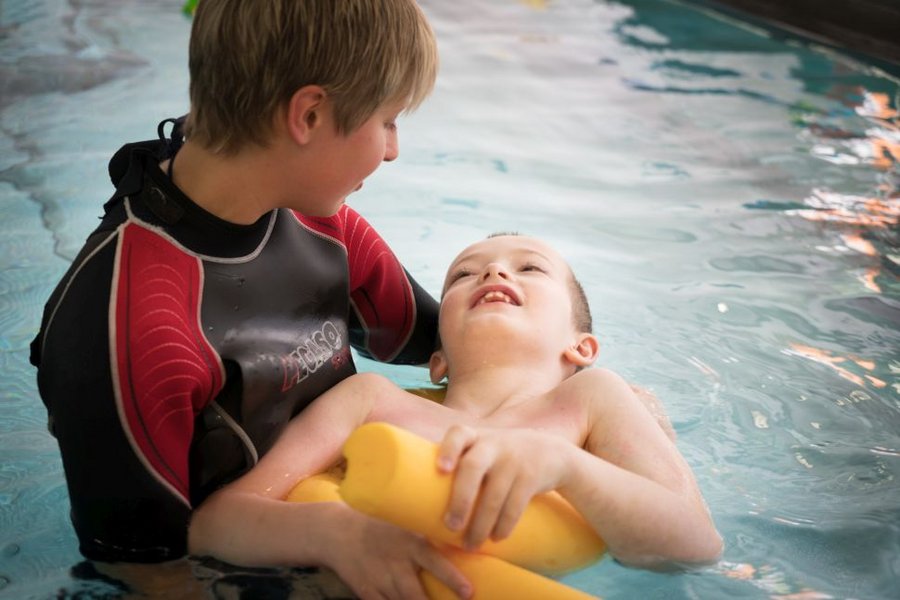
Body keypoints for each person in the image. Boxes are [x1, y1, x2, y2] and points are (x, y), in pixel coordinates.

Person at [29, 1, 473, 598]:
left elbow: (452, 346)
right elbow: (143, 570)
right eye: (388, 120)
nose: (392, 150)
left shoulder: (326, 227)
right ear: (309, 114)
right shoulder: (128, 325)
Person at [192, 234, 724, 598]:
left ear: (580, 347)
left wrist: (568, 466)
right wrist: (332, 533)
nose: (492, 271)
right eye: (461, 276)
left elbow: (695, 546)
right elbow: (216, 524)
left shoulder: (592, 401)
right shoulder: (372, 401)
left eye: (530, 268)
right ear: (437, 359)